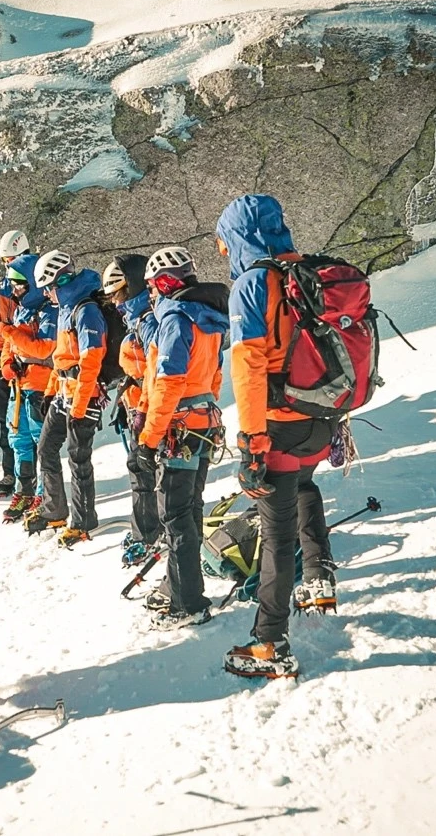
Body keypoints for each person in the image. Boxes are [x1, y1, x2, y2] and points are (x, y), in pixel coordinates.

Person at [216, 195, 337, 679]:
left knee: (275, 533)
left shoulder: (253, 284)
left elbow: (247, 366)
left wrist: (251, 442)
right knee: (305, 489)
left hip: (280, 424)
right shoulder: (307, 272)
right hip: (322, 419)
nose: (225, 253)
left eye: (225, 243)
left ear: (237, 237)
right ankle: (319, 579)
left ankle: (270, 641)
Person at [133, 247, 230, 629]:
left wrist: (148, 437)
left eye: (152, 287)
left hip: (179, 428)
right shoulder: (208, 316)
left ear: (164, 283)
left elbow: (169, 382)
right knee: (190, 509)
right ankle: (180, 586)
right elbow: (215, 376)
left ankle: (187, 602)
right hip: (203, 422)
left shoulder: (175, 317)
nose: (151, 294)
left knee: (175, 516)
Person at [23, 250, 107, 549]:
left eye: (48, 288)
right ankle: (54, 510)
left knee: (78, 459)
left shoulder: (86, 310)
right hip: (63, 392)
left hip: (84, 396)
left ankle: (84, 522)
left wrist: (80, 408)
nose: (46, 294)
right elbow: (61, 360)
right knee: (46, 448)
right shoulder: (66, 308)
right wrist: (50, 392)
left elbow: (91, 362)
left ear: (60, 282)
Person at [101, 254, 161, 562]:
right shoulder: (139, 318)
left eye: (118, 293)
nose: (114, 301)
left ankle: (148, 534)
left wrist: (144, 412)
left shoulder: (148, 320)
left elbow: (156, 372)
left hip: (149, 410)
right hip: (140, 404)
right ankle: (150, 529)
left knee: (142, 470)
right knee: (144, 470)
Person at [0, 251, 58, 523]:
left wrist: (10, 333)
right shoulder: (22, 311)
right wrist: (6, 365)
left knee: (40, 441)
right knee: (19, 440)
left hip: (39, 387)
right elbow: (9, 346)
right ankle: (24, 490)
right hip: (19, 387)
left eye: (19, 285)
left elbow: (44, 348)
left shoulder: (49, 311)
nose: (15, 290)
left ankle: (43, 493)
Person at [0, 230, 32, 498]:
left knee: (33, 421)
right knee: (6, 420)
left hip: (32, 360)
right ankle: (10, 472)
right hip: (4, 361)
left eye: (12, 259)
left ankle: (34, 476)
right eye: (5, 261)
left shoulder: (38, 285)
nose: (9, 265)